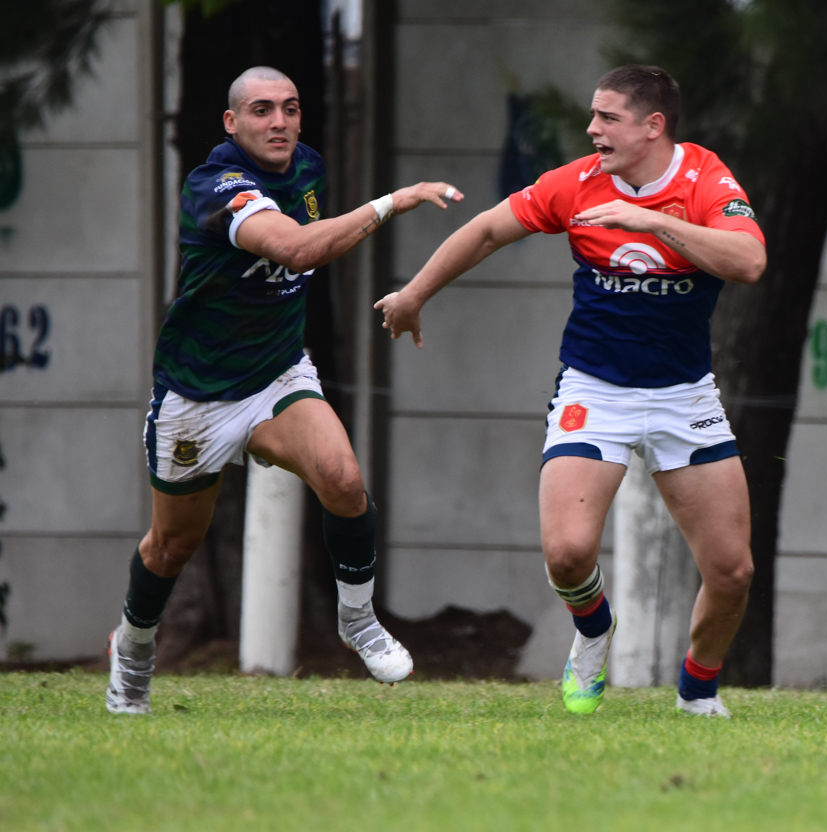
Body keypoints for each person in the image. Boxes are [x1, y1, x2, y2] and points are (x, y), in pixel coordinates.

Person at [377, 65, 764, 717]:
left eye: (608, 117)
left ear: (653, 126)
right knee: (567, 553)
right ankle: (593, 631)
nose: (592, 129)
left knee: (732, 574)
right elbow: (487, 230)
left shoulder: (703, 178)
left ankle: (697, 690)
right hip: (596, 390)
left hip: (684, 397)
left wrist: (652, 223)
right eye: (593, 115)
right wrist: (415, 294)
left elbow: (749, 262)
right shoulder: (577, 183)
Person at [107, 66, 464, 714]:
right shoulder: (214, 186)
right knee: (172, 545)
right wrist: (393, 202)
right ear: (231, 122)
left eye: (291, 109)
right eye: (263, 110)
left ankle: (357, 618)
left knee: (342, 477)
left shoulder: (307, 169)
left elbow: (306, 250)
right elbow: (297, 251)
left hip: (276, 373)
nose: (279, 122)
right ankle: (133, 646)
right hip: (197, 393)